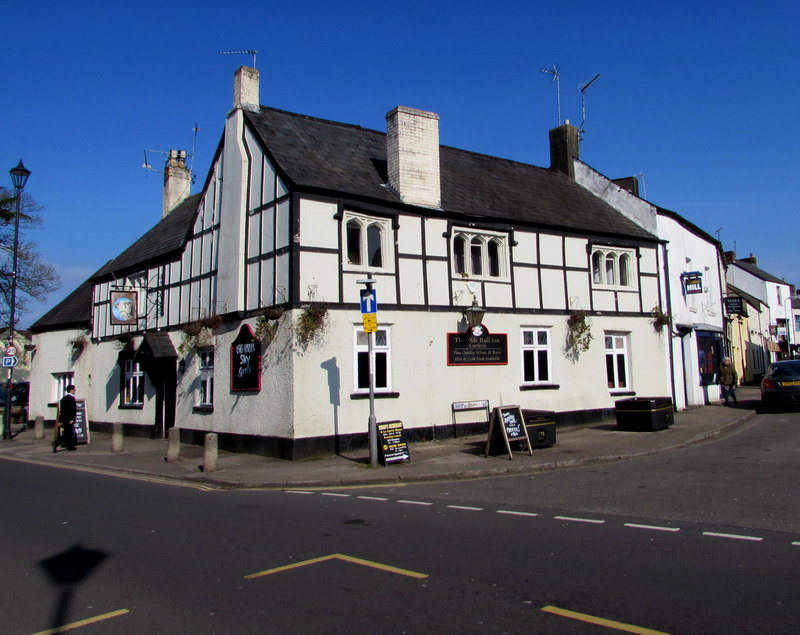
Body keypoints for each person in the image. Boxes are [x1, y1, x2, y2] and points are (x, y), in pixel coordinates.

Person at [54, 385, 78, 451]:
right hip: (69, 419)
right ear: (71, 390)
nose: (75, 390)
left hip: (64, 419)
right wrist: (72, 419)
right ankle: (69, 447)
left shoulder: (63, 399)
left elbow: (62, 410)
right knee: (69, 433)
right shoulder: (72, 399)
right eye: (74, 389)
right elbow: (72, 409)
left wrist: (60, 420)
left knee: (66, 433)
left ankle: (58, 443)